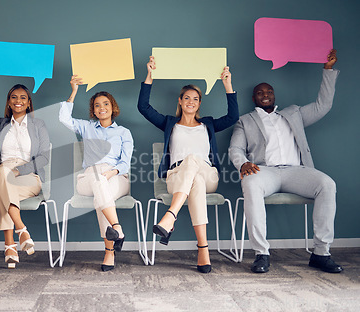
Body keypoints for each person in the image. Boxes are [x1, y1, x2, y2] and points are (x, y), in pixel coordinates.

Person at [229, 49, 342, 274]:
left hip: (295, 171)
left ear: (274, 95)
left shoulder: (294, 114)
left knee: (327, 184)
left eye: (269, 91)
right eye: (260, 92)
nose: (265, 94)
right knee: (250, 183)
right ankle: (262, 253)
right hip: (265, 171)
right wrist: (242, 163)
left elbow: (323, 105)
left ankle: (321, 253)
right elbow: (235, 148)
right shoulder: (246, 121)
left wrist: (327, 70)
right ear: (254, 98)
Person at [138, 56, 238, 273]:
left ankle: (169, 216)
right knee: (197, 183)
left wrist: (227, 85)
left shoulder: (207, 125)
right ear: (180, 102)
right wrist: (150, 75)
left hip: (209, 174)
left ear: (199, 103)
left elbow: (233, 117)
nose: (191, 101)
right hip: (177, 177)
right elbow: (143, 107)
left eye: (195, 98)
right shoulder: (169, 124)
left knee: (194, 161)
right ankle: (203, 248)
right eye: (187, 98)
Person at [0, 75, 50, 269]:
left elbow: (44, 158)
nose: (18, 101)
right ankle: (21, 229)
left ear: (29, 102)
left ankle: (10, 245)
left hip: (28, 177)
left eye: (23, 97)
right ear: (9, 101)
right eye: (14, 97)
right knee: (3, 173)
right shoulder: (2, 125)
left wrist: (19, 171)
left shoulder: (38, 125)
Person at [59, 75, 133, 272]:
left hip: (117, 178)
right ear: (93, 110)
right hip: (88, 180)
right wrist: (74, 91)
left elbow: (125, 162)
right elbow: (63, 119)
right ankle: (116, 228)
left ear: (112, 107)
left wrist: (113, 172)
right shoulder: (87, 127)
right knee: (98, 178)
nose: (102, 107)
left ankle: (110, 249)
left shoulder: (124, 133)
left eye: (106, 103)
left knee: (102, 192)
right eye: (97, 105)